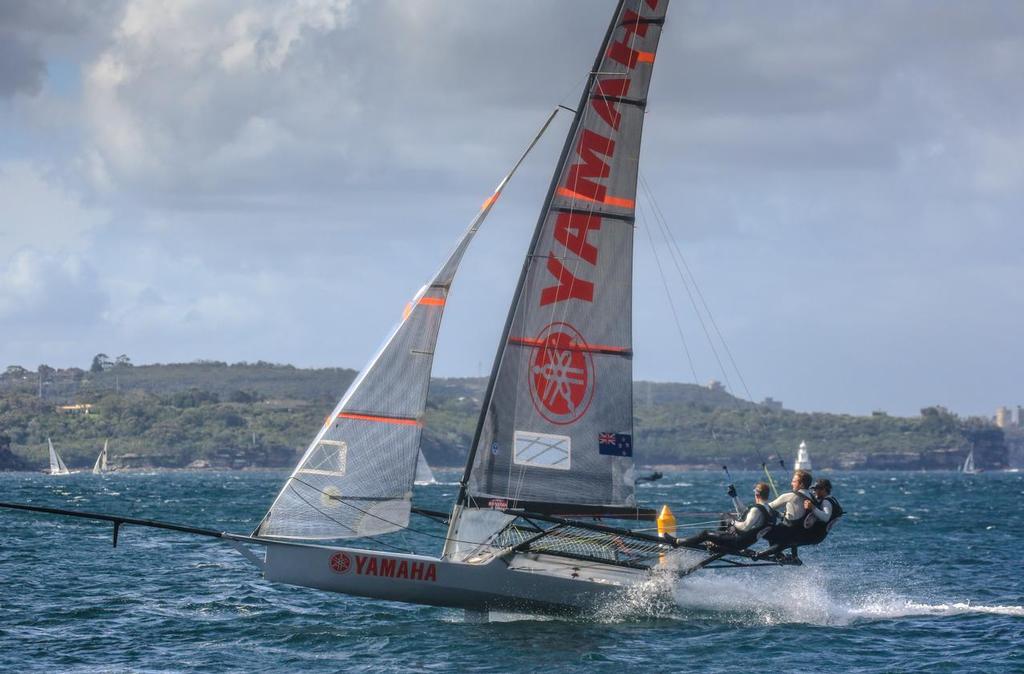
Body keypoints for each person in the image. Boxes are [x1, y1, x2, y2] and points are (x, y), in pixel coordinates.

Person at [681, 482, 777, 552]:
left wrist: (733, 522)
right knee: (725, 515)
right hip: (746, 541)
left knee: (705, 533)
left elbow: (745, 527)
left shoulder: (756, 510)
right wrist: (734, 497)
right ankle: (717, 542)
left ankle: (677, 542)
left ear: (756, 494)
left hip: (738, 542)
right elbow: (743, 512)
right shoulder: (770, 510)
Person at [758, 469, 815, 559]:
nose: (791, 483)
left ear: (802, 484)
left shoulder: (790, 496)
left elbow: (767, 507)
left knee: (764, 530)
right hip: (800, 534)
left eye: (794, 481)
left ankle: (776, 553)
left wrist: (755, 505)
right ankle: (793, 556)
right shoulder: (812, 497)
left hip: (786, 533)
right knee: (785, 522)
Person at [796, 478, 844, 546]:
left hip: (814, 535)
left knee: (791, 528)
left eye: (816, 489)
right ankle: (794, 555)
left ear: (823, 490)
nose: (813, 492)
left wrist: (812, 507)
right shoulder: (832, 499)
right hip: (820, 536)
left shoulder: (826, 502)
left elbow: (826, 518)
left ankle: (789, 554)